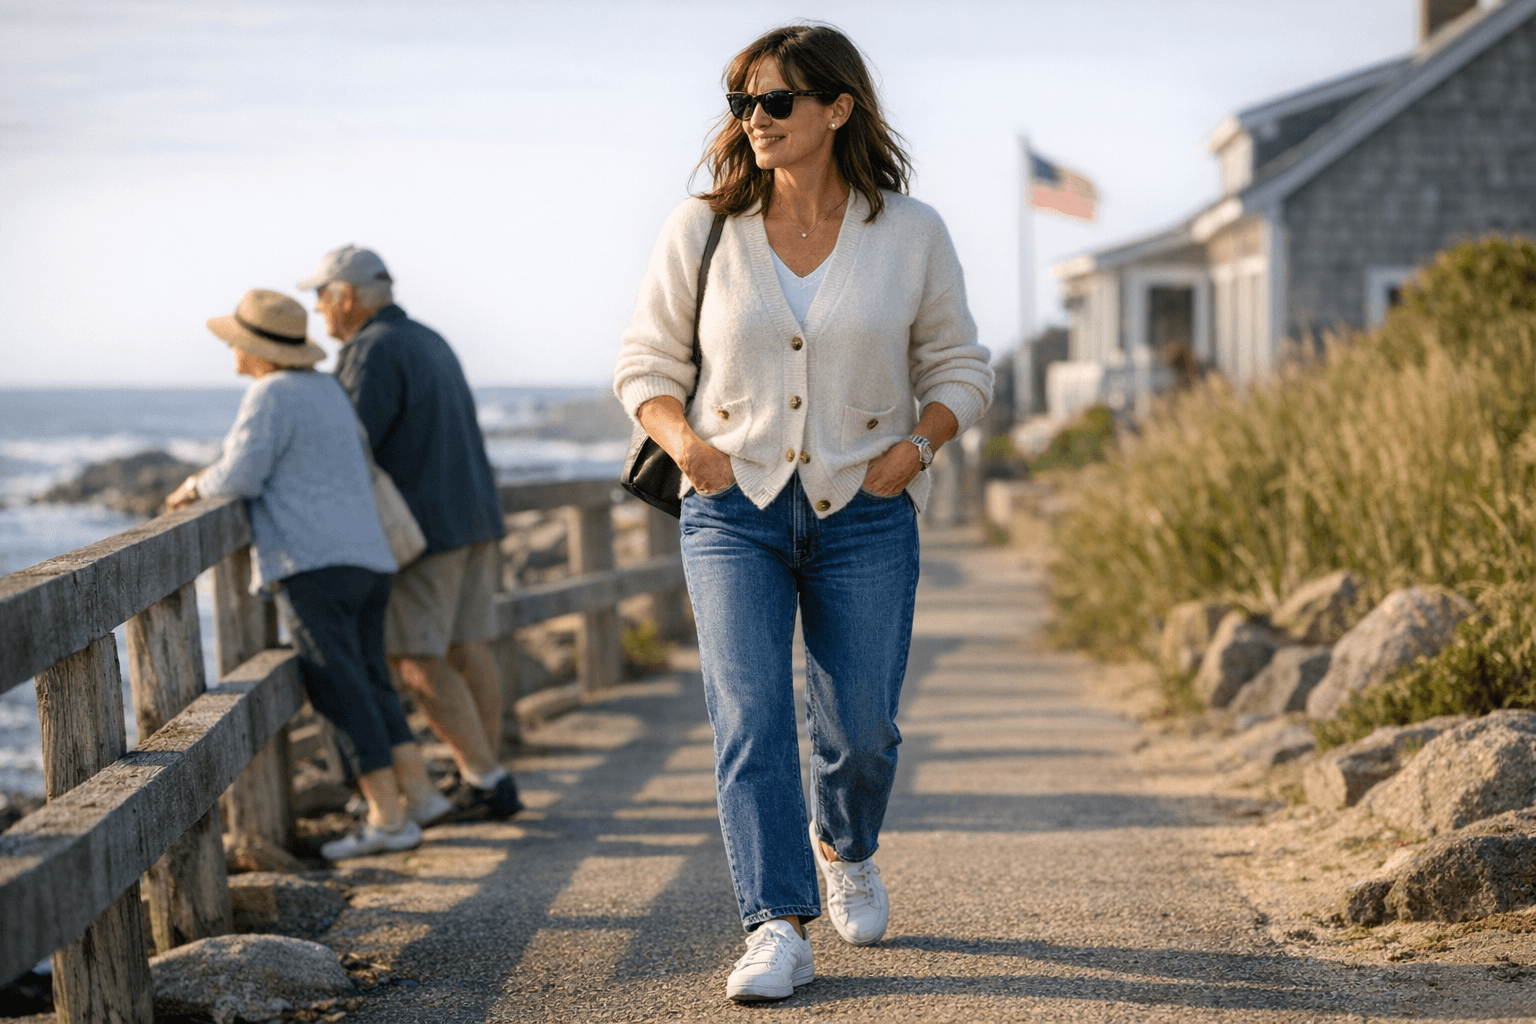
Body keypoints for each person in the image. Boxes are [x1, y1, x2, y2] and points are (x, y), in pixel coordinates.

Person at [613, 25, 993, 1003]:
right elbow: (645, 365)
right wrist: (689, 447)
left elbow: (960, 367)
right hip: (730, 510)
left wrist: (918, 446)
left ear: (837, 108)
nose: (755, 120)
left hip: (865, 509)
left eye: (776, 101)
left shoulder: (911, 232)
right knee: (748, 717)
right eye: (743, 103)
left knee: (861, 728)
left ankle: (847, 845)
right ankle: (774, 924)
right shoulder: (700, 229)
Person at [166, 288, 453, 859]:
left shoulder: (269, 394)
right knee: (371, 677)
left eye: (236, 345)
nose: (232, 356)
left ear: (257, 351)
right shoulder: (325, 388)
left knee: (339, 688)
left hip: (313, 564)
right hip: (369, 558)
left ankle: (388, 818)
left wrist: (196, 484)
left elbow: (241, 476)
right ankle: (420, 795)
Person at [296, 246, 522, 820]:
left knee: (415, 657)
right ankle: (486, 773)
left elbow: (349, 443)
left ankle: (485, 777)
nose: (319, 312)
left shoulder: (370, 350)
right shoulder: (428, 337)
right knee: (468, 647)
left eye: (321, 297)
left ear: (346, 297)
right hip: (474, 517)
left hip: (426, 531)